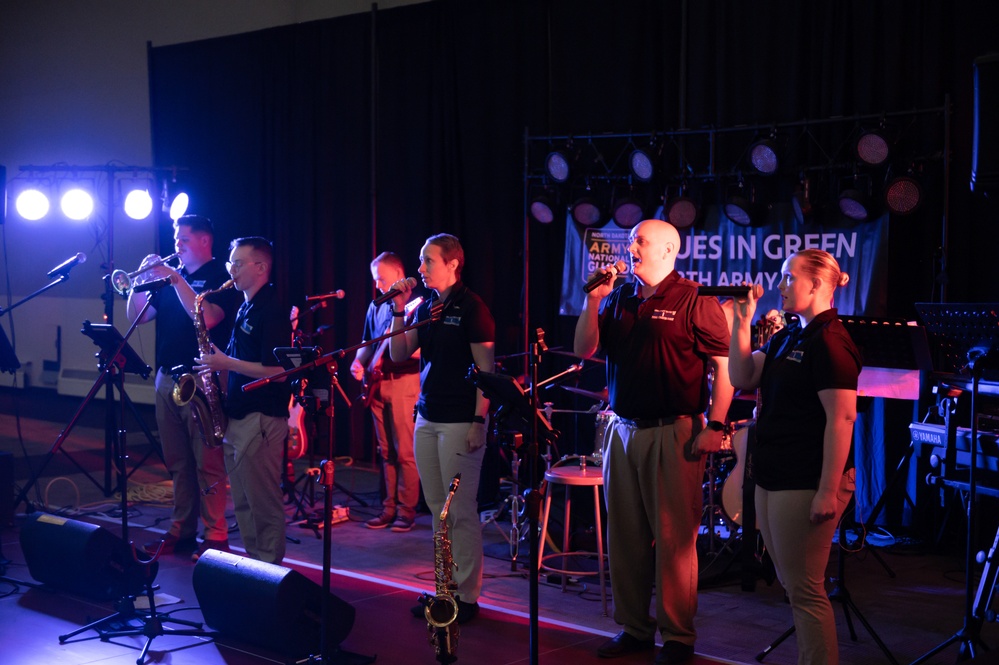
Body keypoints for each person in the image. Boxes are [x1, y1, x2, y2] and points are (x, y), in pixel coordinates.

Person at [573, 219, 734, 665]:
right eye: (630, 241)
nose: (632, 248)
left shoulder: (693, 299)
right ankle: (635, 628)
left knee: (673, 539)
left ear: (668, 249)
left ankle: (678, 637)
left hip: (673, 430)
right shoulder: (619, 295)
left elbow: (725, 370)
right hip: (622, 430)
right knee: (624, 536)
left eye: (640, 241)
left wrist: (715, 425)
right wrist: (592, 302)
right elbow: (584, 349)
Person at [728, 249, 860, 665]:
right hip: (773, 475)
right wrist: (741, 322)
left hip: (806, 480)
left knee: (805, 589)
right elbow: (742, 377)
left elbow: (842, 420)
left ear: (816, 285)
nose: (780, 285)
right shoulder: (788, 335)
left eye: (788, 278)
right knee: (792, 583)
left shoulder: (832, 342)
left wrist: (827, 492)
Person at [386, 233, 494, 625]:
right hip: (427, 417)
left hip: (460, 420)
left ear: (453, 264)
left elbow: (487, 371)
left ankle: (468, 596)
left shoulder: (472, 308)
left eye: (428, 261)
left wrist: (480, 421)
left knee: (459, 511)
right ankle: (444, 589)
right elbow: (399, 354)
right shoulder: (425, 307)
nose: (420, 268)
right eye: (420, 261)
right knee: (436, 509)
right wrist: (399, 311)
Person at [128, 214, 241, 562]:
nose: (176, 245)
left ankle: (216, 535)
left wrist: (174, 279)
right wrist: (141, 280)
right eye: (176, 239)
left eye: (184, 240)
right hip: (166, 378)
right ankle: (181, 528)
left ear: (204, 241)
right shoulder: (168, 280)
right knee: (177, 462)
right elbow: (137, 317)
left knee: (208, 461)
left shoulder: (223, 278)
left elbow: (207, 317)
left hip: (202, 380)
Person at [195, 236, 291, 564]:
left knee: (263, 503)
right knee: (245, 503)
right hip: (239, 416)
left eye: (237, 263)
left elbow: (278, 369)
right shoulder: (247, 304)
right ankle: (254, 566)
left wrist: (227, 363)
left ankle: (268, 571)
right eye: (230, 263)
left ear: (260, 267)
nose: (230, 269)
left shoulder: (272, 309)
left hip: (260, 417)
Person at [350, 252, 422, 532]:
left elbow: (418, 350)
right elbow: (368, 340)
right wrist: (359, 361)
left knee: (405, 451)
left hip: (404, 383)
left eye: (381, 278)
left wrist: (399, 351)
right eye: (375, 279)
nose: (378, 284)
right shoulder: (375, 305)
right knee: (386, 451)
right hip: (378, 383)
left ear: (399, 275)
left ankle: (407, 510)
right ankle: (388, 507)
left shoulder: (416, 306)